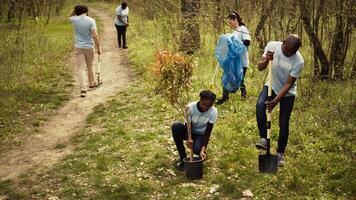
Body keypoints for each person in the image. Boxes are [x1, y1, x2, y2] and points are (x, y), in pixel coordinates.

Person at [255, 34, 304, 166]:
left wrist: (275, 101)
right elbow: (260, 67)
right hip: (271, 84)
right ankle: (264, 138)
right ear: (283, 43)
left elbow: (288, 84)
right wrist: (266, 60)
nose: (288, 53)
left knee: (284, 122)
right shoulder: (272, 46)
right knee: (260, 105)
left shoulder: (298, 61)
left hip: (287, 93)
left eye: (291, 52)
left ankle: (280, 153)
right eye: (286, 50)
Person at [172, 90, 218, 171]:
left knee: (197, 150)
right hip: (189, 131)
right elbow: (188, 126)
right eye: (203, 104)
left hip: (200, 135)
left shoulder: (213, 112)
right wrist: (189, 139)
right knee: (176, 126)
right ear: (200, 99)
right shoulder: (190, 107)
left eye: (209, 106)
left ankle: (201, 151)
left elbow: (207, 133)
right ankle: (182, 158)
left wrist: (203, 150)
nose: (205, 108)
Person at [216, 11, 251, 104]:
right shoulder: (235, 31)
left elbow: (247, 42)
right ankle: (225, 97)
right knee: (228, 76)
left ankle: (244, 96)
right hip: (234, 60)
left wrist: (235, 44)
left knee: (240, 79)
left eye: (230, 22)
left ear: (235, 20)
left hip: (242, 61)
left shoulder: (242, 29)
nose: (230, 24)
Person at [70, 5, 101, 97]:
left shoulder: (74, 19)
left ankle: (83, 89)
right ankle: (91, 84)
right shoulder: (91, 20)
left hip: (78, 47)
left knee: (81, 68)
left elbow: (70, 15)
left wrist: (74, 10)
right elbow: (95, 35)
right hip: (88, 47)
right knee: (90, 66)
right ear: (86, 11)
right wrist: (98, 48)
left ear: (76, 11)